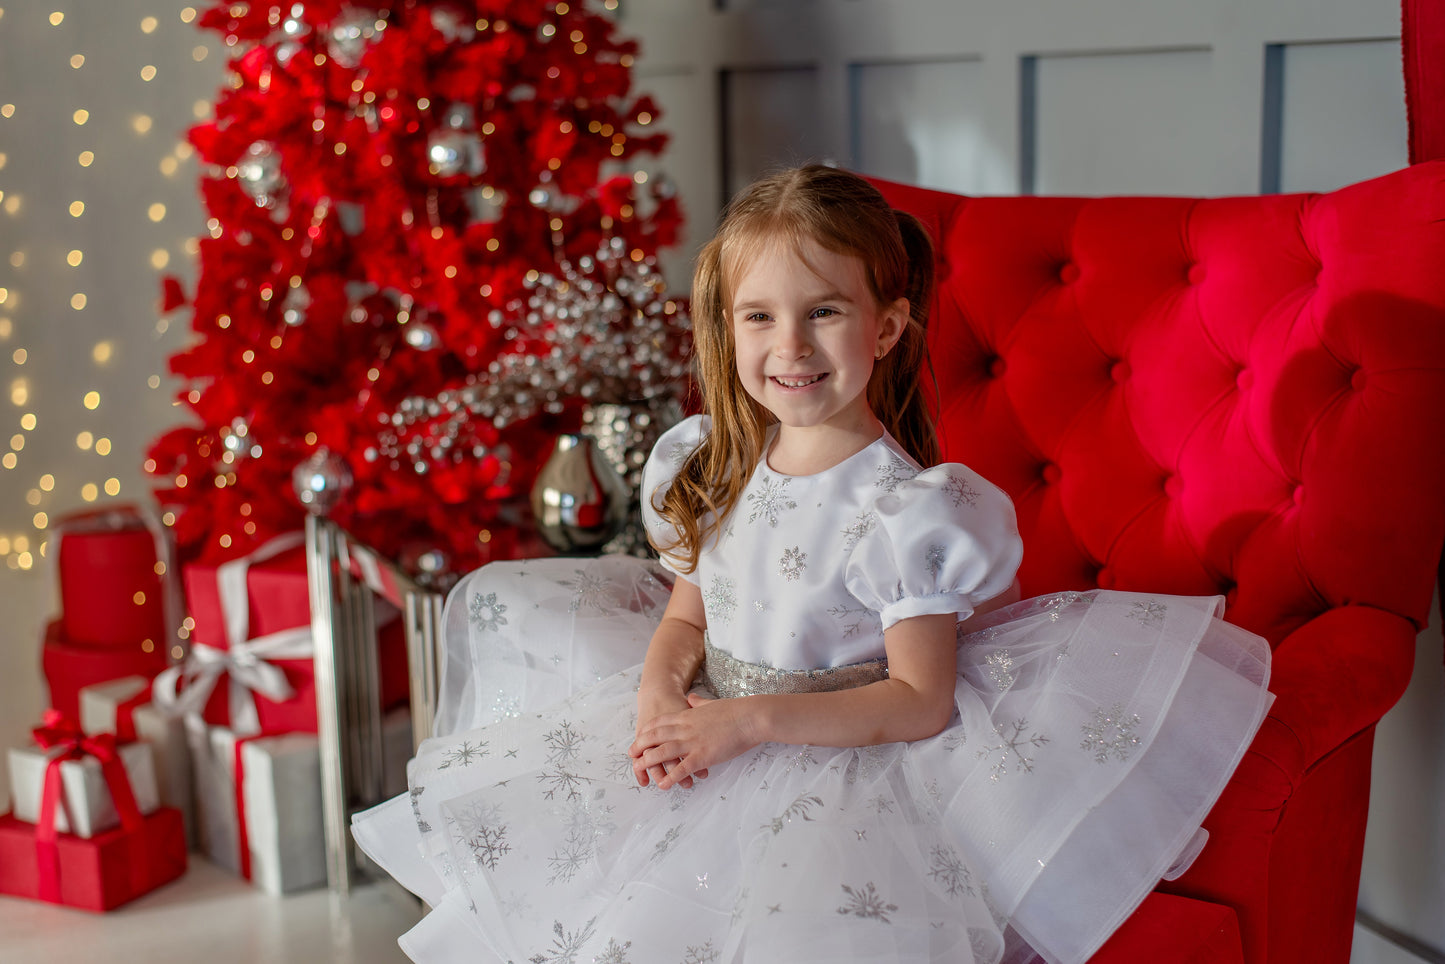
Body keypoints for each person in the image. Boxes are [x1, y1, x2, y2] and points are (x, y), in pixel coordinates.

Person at [352, 165, 1273, 964]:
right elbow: (686, 617)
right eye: (760, 316)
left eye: (822, 312)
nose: (788, 346)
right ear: (729, 327)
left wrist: (747, 726)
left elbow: (918, 700)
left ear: (884, 329)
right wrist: (658, 702)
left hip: (835, 762)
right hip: (713, 727)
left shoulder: (907, 511)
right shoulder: (708, 467)